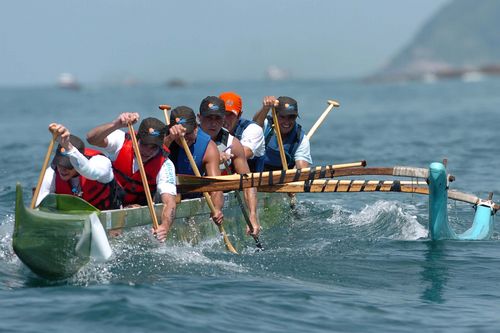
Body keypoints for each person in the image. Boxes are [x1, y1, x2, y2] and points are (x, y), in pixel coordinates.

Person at [86, 113, 176, 241]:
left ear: (160, 146)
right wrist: (116, 124)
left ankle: (114, 234)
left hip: (136, 206)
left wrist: (165, 227)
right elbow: (91, 139)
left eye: (153, 147)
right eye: (144, 144)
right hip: (108, 199)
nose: (147, 151)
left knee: (131, 209)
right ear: (137, 138)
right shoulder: (121, 141)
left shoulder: (165, 165)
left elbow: (169, 202)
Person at [197, 96, 260, 237]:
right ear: (199, 118)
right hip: (190, 195)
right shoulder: (188, 139)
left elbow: (248, 183)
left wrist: (252, 215)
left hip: (218, 198)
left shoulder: (233, 144)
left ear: (223, 119)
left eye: (218, 118)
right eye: (209, 118)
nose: (213, 123)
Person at [37, 123, 120, 211]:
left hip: (109, 212)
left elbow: (90, 172)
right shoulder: (52, 173)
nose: (62, 169)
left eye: (68, 165)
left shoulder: (101, 163)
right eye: (60, 164)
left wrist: (69, 148)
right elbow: (39, 204)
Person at [164, 105, 224, 226]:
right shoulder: (163, 139)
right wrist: (170, 138)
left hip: (193, 193)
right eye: (180, 134)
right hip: (166, 193)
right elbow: (152, 160)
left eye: (188, 133)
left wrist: (216, 208)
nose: (184, 139)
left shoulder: (208, 147)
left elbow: (216, 186)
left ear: (196, 128)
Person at [253, 96, 312, 170]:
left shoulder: (301, 139)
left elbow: (302, 170)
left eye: (291, 117)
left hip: (283, 179)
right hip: (255, 174)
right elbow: (255, 124)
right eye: (282, 117)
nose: (286, 122)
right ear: (274, 115)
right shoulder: (265, 126)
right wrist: (265, 108)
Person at [219, 92, 265, 172]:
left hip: (250, 180)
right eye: (223, 114)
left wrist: (214, 156)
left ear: (239, 115)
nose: (225, 119)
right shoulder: (212, 128)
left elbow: (243, 153)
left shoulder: (253, 129)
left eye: (230, 114)